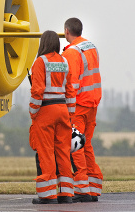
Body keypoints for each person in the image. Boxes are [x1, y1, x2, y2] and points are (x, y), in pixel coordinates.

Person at [28, 30, 76, 204]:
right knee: (63, 152)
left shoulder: (41, 62)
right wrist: (70, 113)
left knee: (46, 152)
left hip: (46, 111)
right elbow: (70, 90)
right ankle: (66, 194)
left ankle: (48, 195)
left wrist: (33, 111)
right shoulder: (64, 61)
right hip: (63, 109)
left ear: (43, 43)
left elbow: (37, 90)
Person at [61, 17, 103, 202]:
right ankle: (93, 188)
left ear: (66, 31)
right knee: (86, 145)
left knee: (76, 146)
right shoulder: (91, 47)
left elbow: (73, 83)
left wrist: (67, 109)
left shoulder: (71, 52)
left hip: (78, 105)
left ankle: (82, 189)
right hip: (92, 103)